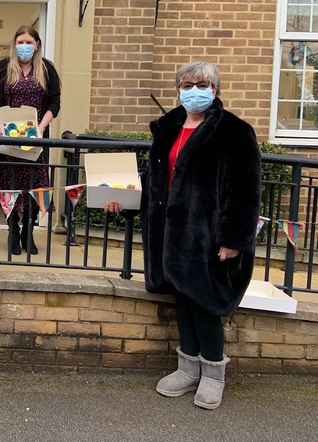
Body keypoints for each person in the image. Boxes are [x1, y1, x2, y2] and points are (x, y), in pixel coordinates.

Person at [106, 62, 261, 410]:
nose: (195, 89)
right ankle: (188, 366)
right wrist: (125, 200)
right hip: (171, 233)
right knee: (183, 301)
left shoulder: (234, 131)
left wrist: (234, 240)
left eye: (203, 83)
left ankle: (213, 375)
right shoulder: (169, 128)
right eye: (188, 83)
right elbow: (155, 180)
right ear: (178, 87)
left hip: (208, 234)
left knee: (205, 304)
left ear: (215, 89)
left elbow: (246, 191)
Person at [0, 25, 61, 256]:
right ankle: (13, 230)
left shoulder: (46, 69)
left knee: (35, 186)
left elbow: (54, 103)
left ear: (37, 44)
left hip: (35, 141)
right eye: (20, 42)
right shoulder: (3, 68)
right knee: (10, 184)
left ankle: (29, 229)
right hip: (8, 140)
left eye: (29, 42)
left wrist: (41, 127)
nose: (24, 47)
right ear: (14, 44)